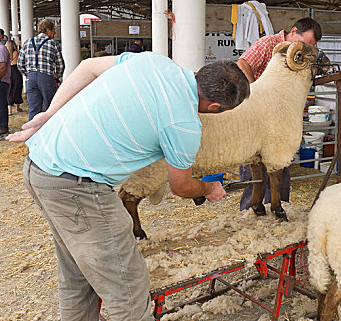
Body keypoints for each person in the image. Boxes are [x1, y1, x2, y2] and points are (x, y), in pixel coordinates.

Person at [7, 52, 250, 320]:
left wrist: (51, 113)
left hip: (40, 166)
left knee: (79, 275)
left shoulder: (154, 61)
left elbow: (88, 67)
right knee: (129, 291)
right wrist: (208, 188)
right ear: (215, 107)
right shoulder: (184, 124)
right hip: (77, 187)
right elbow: (180, 186)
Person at [236, 17, 322, 211]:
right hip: (256, 119)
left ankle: (277, 219)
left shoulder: (298, 55)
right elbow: (242, 63)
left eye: (311, 46)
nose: (306, 48)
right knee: (254, 174)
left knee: (280, 173)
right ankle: (250, 219)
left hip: (278, 123)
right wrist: (256, 91)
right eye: (305, 43)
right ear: (293, 32)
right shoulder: (268, 44)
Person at [17, 19, 65, 121]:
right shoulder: (53, 44)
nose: (54, 34)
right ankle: (49, 131)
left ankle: (32, 134)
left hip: (31, 79)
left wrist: (29, 74)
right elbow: (60, 65)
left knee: (34, 109)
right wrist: (56, 77)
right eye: (53, 31)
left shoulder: (27, 42)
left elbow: (20, 64)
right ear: (48, 30)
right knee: (50, 108)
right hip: (46, 77)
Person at [5, 38, 24, 114]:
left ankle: (9, 109)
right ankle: (17, 107)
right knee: (17, 87)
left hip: (8, 71)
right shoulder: (16, 52)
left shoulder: (5, 52)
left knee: (9, 89)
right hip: (16, 71)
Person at [0, 28, 11, 137]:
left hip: (2, 80)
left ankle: (3, 127)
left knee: (2, 104)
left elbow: (3, 66)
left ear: (1, 36)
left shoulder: (2, 49)